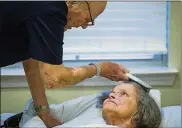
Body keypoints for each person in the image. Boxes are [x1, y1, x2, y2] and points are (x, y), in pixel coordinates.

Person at [0, 1, 129, 127]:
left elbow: (32, 63)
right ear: (74, 2)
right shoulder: (52, 11)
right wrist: (98, 69)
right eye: (88, 19)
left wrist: (44, 113)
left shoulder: (45, 10)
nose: (84, 25)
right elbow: (54, 78)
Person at [19, 81, 162, 128]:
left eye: (123, 94)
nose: (111, 94)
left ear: (139, 113)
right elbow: (34, 106)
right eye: (113, 92)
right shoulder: (96, 118)